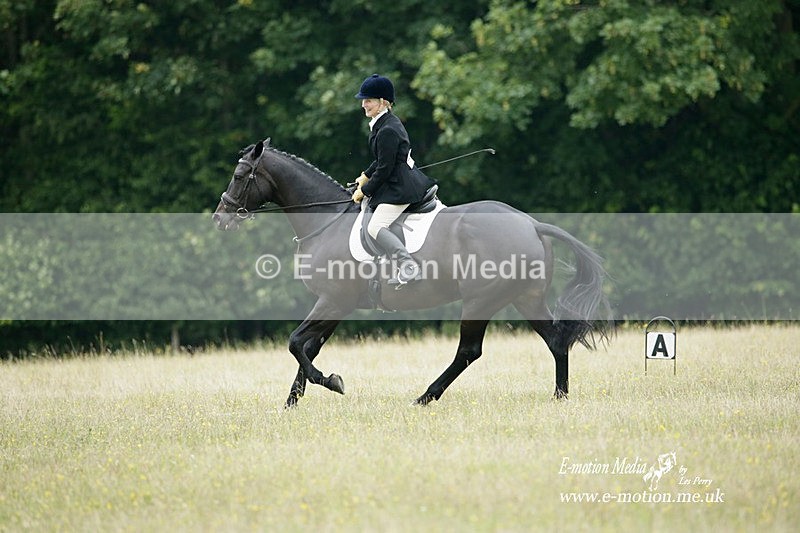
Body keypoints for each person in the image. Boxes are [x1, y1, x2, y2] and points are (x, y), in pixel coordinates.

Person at [351, 74, 436, 286]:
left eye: (368, 100)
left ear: (383, 102)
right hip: (396, 180)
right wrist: (365, 175)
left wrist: (366, 190)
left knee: (375, 226)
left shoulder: (388, 129)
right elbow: (381, 160)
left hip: (400, 187)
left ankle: (408, 266)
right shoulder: (383, 123)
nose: (364, 105)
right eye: (363, 100)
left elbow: (386, 169)